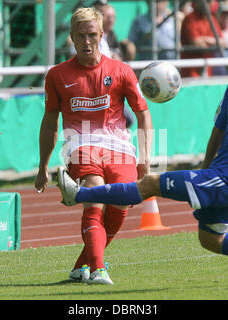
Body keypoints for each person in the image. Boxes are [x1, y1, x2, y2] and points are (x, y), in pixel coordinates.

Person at [56, 35, 228, 284]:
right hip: (215, 176)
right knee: (211, 240)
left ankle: (79, 194)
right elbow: (218, 130)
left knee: (150, 183)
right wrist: (205, 168)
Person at [34, 7, 153, 285]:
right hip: (79, 145)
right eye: (80, 36)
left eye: (92, 35)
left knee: (120, 206)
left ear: (102, 35)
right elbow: (50, 122)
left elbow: (143, 113)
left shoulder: (121, 71)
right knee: (95, 195)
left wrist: (145, 155)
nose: (86, 41)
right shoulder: (57, 75)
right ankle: (99, 269)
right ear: (71, 38)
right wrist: (43, 167)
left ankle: (80, 267)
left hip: (119, 147)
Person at [180, 0, 224, 77]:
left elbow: (223, 42)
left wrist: (205, 39)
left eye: (210, 1)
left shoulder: (212, 19)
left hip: (208, 70)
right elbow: (197, 42)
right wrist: (214, 41)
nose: (208, 4)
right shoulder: (190, 18)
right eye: (206, 1)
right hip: (191, 71)